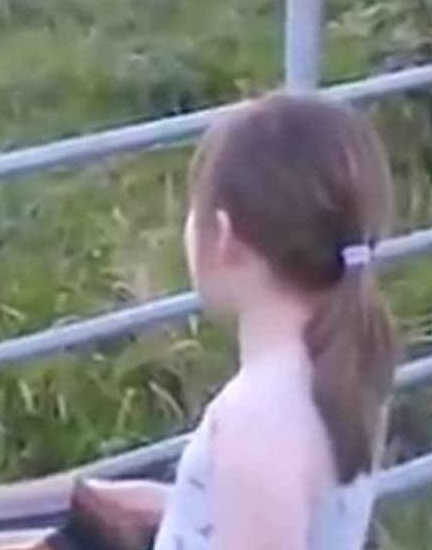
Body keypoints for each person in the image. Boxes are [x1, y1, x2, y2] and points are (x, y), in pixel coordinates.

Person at [84, 92, 400, 550]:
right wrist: (158, 506)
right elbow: (284, 511)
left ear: (224, 235)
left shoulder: (254, 421)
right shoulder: (347, 363)